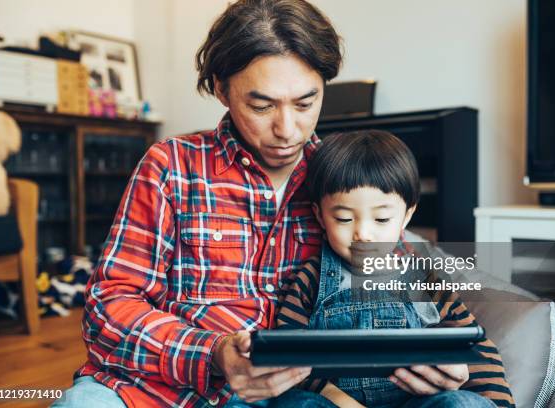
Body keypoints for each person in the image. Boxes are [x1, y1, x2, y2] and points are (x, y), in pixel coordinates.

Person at [53, 0, 342, 407]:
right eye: (261, 106)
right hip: (157, 387)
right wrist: (213, 354)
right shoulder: (170, 166)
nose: (286, 129)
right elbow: (108, 308)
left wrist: (446, 358)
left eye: (305, 103)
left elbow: (392, 290)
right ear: (221, 89)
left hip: (288, 396)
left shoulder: (344, 178)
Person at [275, 130, 516, 408]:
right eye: (343, 218)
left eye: (381, 218)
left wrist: (497, 404)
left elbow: (477, 349)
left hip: (415, 403)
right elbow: (288, 356)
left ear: (406, 215)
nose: (363, 233)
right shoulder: (311, 278)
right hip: (336, 403)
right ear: (320, 215)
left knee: (463, 404)